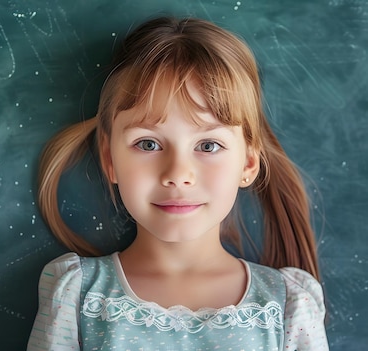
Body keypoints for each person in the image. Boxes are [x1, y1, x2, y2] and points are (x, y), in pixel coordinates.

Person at [26, 16, 328, 350]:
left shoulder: (287, 306)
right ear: (110, 160)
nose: (178, 174)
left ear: (248, 163)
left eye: (208, 146)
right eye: (148, 144)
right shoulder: (76, 295)